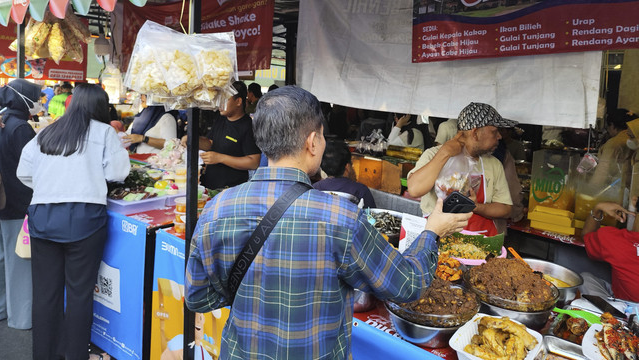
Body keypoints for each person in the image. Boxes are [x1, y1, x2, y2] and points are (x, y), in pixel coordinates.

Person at [184, 86, 471, 359]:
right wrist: (432, 231)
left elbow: (197, 298)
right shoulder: (340, 218)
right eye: (321, 136)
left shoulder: (216, 208)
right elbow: (408, 284)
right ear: (312, 142)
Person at [16, 84, 130, 359]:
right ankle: (76, 354)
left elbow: (24, 172)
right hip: (84, 220)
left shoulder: (47, 131)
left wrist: (51, 186)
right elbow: (119, 172)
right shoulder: (104, 132)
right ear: (101, 107)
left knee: (45, 294)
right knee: (79, 294)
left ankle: (44, 354)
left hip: (42, 217)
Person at [407, 102, 516, 236]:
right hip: (440, 241)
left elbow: (505, 209)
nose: (499, 136)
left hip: (481, 244)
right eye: (494, 131)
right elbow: (414, 189)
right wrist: (444, 153)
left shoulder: (493, 164)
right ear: (475, 133)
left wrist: (476, 207)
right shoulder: (433, 155)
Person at [0, 79, 41, 331]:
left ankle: (3, 309)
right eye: (36, 97)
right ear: (24, 98)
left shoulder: (3, 122)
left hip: (4, 201)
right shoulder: (20, 127)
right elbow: (34, 168)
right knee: (20, 264)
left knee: (3, 260)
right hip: (19, 202)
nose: (39, 103)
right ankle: (21, 318)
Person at [183, 81, 261, 189]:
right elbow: (210, 143)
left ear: (238, 101)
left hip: (231, 188)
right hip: (210, 185)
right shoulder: (221, 119)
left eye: (224, 100)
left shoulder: (248, 126)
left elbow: (254, 162)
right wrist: (191, 139)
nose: (220, 104)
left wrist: (220, 158)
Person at [580, 200, 638, 302]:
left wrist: (598, 209)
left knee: (584, 279)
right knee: (586, 278)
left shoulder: (616, 239)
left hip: (626, 311)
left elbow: (586, 236)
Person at [314, 140, 376, 207]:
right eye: (352, 164)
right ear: (348, 167)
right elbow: (371, 216)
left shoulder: (314, 188)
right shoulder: (361, 190)